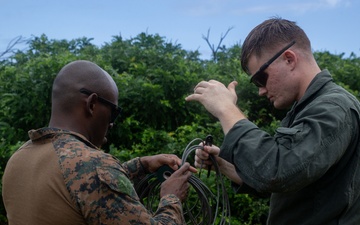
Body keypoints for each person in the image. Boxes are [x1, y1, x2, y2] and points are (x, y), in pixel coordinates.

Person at [186, 17, 360, 224]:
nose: (261, 91)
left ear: (289, 59)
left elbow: (278, 172)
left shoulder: (333, 107)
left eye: (261, 78)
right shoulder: (307, 108)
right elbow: (288, 183)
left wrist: (226, 109)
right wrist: (223, 165)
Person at [2, 60, 195, 225]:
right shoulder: (93, 166)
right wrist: (172, 197)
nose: (111, 123)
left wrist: (141, 165)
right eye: (114, 112)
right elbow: (90, 180)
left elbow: (80, 187)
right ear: (92, 104)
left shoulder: (20, 157)